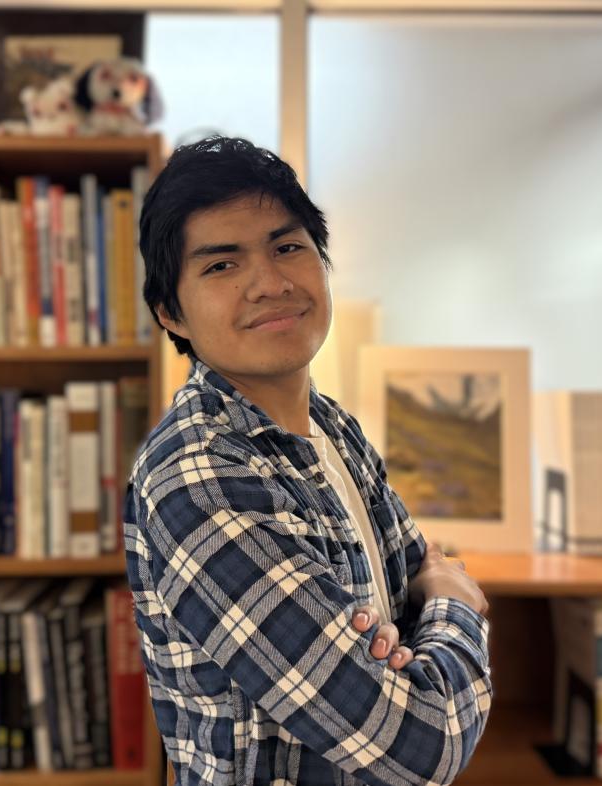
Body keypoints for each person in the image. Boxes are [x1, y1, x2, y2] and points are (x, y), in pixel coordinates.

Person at [123, 136, 492, 785]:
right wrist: (455, 606)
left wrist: (405, 640)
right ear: (171, 313)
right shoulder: (197, 475)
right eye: (221, 265)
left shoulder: (334, 427)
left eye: (288, 248)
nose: (271, 284)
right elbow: (423, 743)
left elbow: (416, 578)